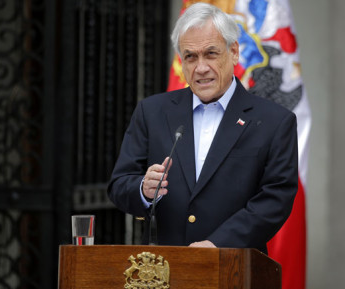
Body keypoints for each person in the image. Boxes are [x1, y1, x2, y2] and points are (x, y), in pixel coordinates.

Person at [107, 2, 298, 253]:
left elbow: (275, 200)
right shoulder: (152, 112)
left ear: (234, 52)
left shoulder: (275, 121)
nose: (201, 68)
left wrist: (217, 244)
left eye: (211, 53)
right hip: (164, 270)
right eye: (190, 56)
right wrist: (143, 189)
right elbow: (119, 185)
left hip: (236, 269)